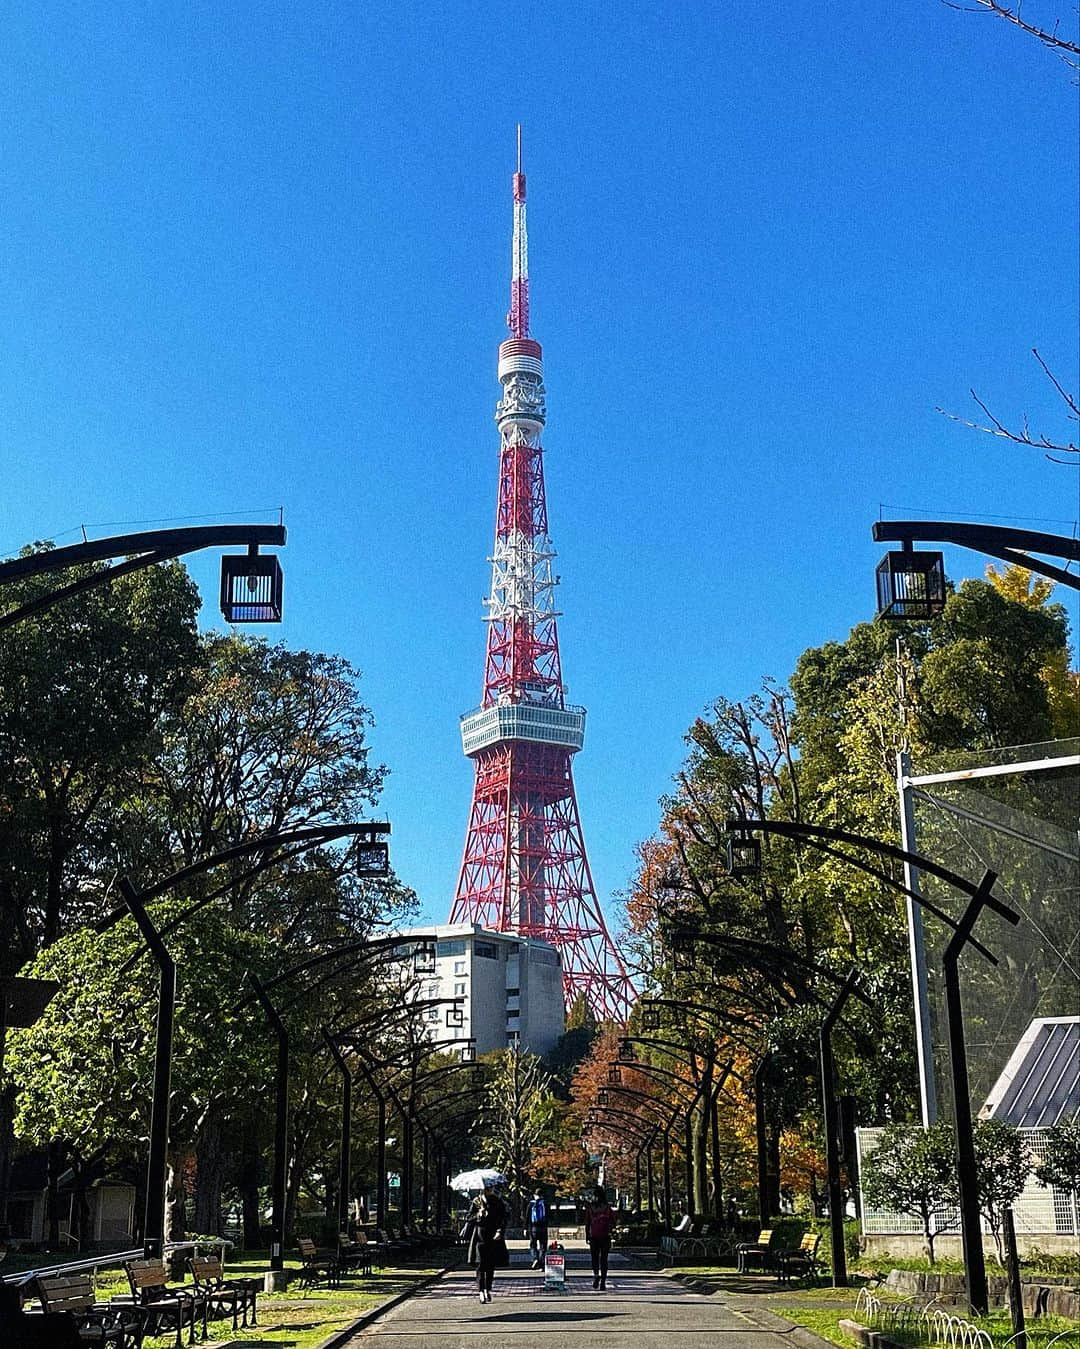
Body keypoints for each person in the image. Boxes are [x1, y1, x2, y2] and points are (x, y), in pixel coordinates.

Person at [465, 1182, 508, 1303]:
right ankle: (481, 1290)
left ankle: (487, 1289)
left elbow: (503, 1218)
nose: (490, 1191)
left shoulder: (497, 1201)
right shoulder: (476, 1201)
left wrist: (500, 1231)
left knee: (490, 1265)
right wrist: (478, 1214)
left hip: (493, 1236)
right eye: (487, 1189)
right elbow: (469, 1217)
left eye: (490, 1189)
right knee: (480, 1264)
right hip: (479, 1236)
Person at [584, 1185, 616, 1290]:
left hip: (594, 1236)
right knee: (604, 1259)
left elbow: (587, 1223)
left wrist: (587, 1236)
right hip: (605, 1236)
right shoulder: (607, 1208)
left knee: (595, 1258)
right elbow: (613, 1222)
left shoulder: (590, 1208)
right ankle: (603, 1281)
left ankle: (596, 1275)